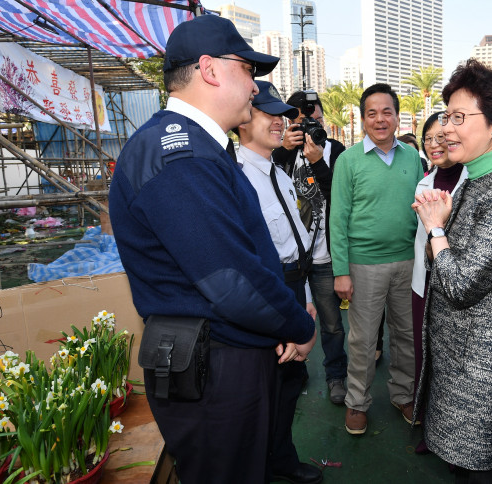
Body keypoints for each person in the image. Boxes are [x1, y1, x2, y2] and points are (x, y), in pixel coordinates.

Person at [108, 15, 316, 483]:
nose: (256, 88)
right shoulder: (179, 154)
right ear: (209, 70)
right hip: (216, 370)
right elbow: (231, 281)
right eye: (248, 70)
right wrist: (297, 324)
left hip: (223, 357)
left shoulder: (197, 147)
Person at [412, 59, 492, 481]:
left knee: (484, 464)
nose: (447, 128)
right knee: (466, 461)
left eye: (459, 117)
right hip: (459, 354)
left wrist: (436, 231)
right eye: (447, 115)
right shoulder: (475, 174)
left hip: (483, 363)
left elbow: (463, 284)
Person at [237, 80, 323, 484]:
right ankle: (265, 467)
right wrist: (280, 322)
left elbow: (296, 248)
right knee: (265, 391)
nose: (279, 122)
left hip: (292, 286)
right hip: (267, 296)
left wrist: (303, 299)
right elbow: (252, 263)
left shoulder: (278, 172)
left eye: (281, 114)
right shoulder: (236, 179)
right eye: (267, 113)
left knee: (289, 383)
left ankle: (281, 459)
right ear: (242, 120)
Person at [331, 83, 424, 434]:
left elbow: (420, 209)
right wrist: (341, 271)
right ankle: (357, 402)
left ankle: (403, 395)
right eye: (372, 113)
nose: (380, 119)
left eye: (387, 112)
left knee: (406, 335)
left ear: (398, 117)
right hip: (364, 265)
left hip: (408, 264)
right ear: (363, 118)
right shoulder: (348, 160)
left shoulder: (413, 157)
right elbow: (337, 219)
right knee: (363, 340)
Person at [272, 91, 349, 405]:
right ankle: (294, 372)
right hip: (291, 259)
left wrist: (318, 162)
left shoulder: (338, 151)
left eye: (314, 118)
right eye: (300, 120)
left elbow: (341, 199)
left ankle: (336, 376)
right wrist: (284, 152)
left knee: (331, 324)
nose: (309, 125)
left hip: (325, 257)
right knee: (289, 321)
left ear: (323, 117)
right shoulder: (279, 153)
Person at [411, 112, 467, 418]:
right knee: (423, 351)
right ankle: (424, 416)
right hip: (424, 283)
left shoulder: (472, 180)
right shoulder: (423, 183)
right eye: (429, 138)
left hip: (458, 285)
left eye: (442, 137)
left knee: (453, 358)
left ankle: (450, 423)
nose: (435, 144)